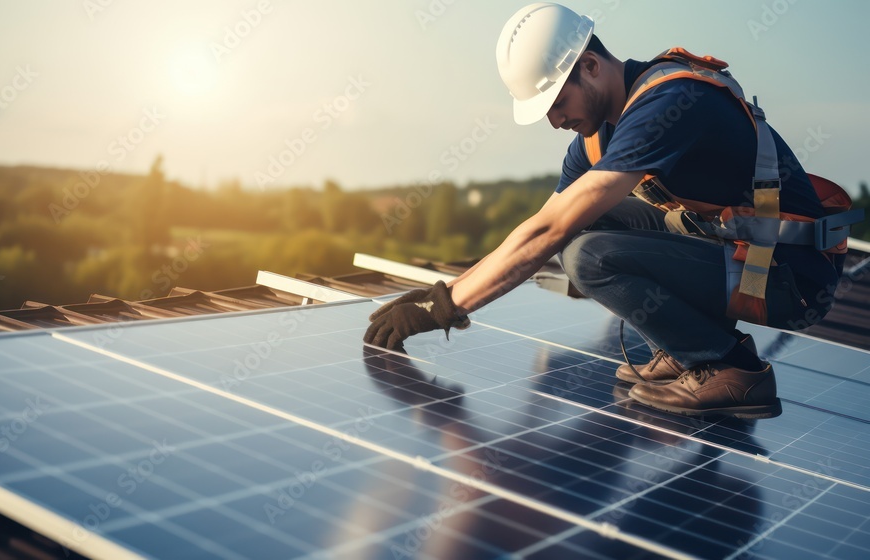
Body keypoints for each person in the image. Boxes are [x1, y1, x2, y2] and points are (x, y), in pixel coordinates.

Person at [363, 2, 861, 419]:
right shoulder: (597, 137)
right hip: (740, 252)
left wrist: (445, 310)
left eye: (557, 102)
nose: (555, 120)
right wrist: (442, 292)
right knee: (587, 226)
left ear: (591, 66)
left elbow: (551, 234)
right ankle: (691, 344)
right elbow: (537, 228)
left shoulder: (671, 102)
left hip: (789, 279)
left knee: (589, 256)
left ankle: (732, 369)